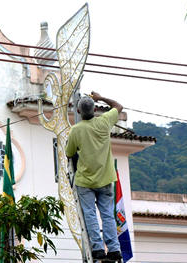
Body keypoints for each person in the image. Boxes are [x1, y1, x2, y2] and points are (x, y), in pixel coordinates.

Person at [65, 91, 123, 261]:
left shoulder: (76, 130)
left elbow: (69, 153)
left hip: (85, 181)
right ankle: (113, 249)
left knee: (90, 214)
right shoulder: (105, 121)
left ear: (78, 112)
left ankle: (97, 249)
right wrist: (101, 97)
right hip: (105, 178)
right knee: (107, 214)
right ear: (95, 109)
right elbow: (118, 107)